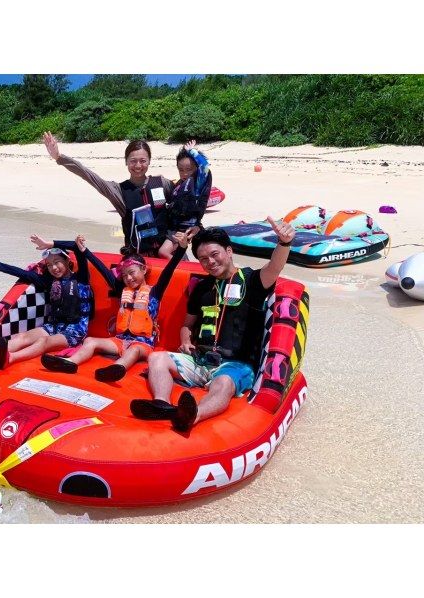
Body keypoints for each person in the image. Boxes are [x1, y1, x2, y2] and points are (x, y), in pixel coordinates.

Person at [130, 219, 296, 433]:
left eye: (214, 254)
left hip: (235, 365)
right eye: (203, 259)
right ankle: (161, 405)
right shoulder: (201, 288)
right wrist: (185, 341)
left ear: (229, 251)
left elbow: (274, 266)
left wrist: (284, 243)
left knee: (224, 383)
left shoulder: (253, 281)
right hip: (200, 360)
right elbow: (187, 324)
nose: (210, 262)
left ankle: (192, 415)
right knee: (157, 358)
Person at [34, 231, 193, 382]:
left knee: (134, 350)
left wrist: (182, 248)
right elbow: (103, 270)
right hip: (119, 341)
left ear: (144, 269)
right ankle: (70, 363)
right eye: (124, 275)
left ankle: (116, 368)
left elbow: (169, 270)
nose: (128, 278)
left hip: (143, 344)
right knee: (90, 341)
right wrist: (85, 251)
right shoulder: (122, 290)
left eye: (132, 273)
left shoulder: (155, 292)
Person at [0, 235, 98, 370]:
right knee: (23, 336)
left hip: (75, 331)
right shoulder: (49, 281)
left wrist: (50, 244)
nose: (54, 268)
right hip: (53, 326)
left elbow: (76, 247)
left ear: (67, 260)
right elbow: (22, 273)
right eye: (49, 265)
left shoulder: (81, 278)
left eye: (57, 262)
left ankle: (11, 358)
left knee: (44, 341)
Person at [43, 131, 175, 258]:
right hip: (138, 259)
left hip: (168, 254)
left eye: (143, 160)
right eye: (133, 161)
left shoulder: (162, 183)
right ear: (126, 161)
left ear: (149, 161)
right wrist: (59, 157)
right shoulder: (118, 191)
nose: (138, 165)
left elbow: (182, 202)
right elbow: (88, 175)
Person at [156, 140, 212, 258]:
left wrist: (192, 151)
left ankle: (178, 266)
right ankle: (184, 263)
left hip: (184, 229)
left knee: (163, 252)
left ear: (196, 169)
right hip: (174, 227)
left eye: (189, 169)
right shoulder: (180, 185)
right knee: (176, 252)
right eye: (181, 170)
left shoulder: (197, 184)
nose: (184, 173)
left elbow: (205, 166)